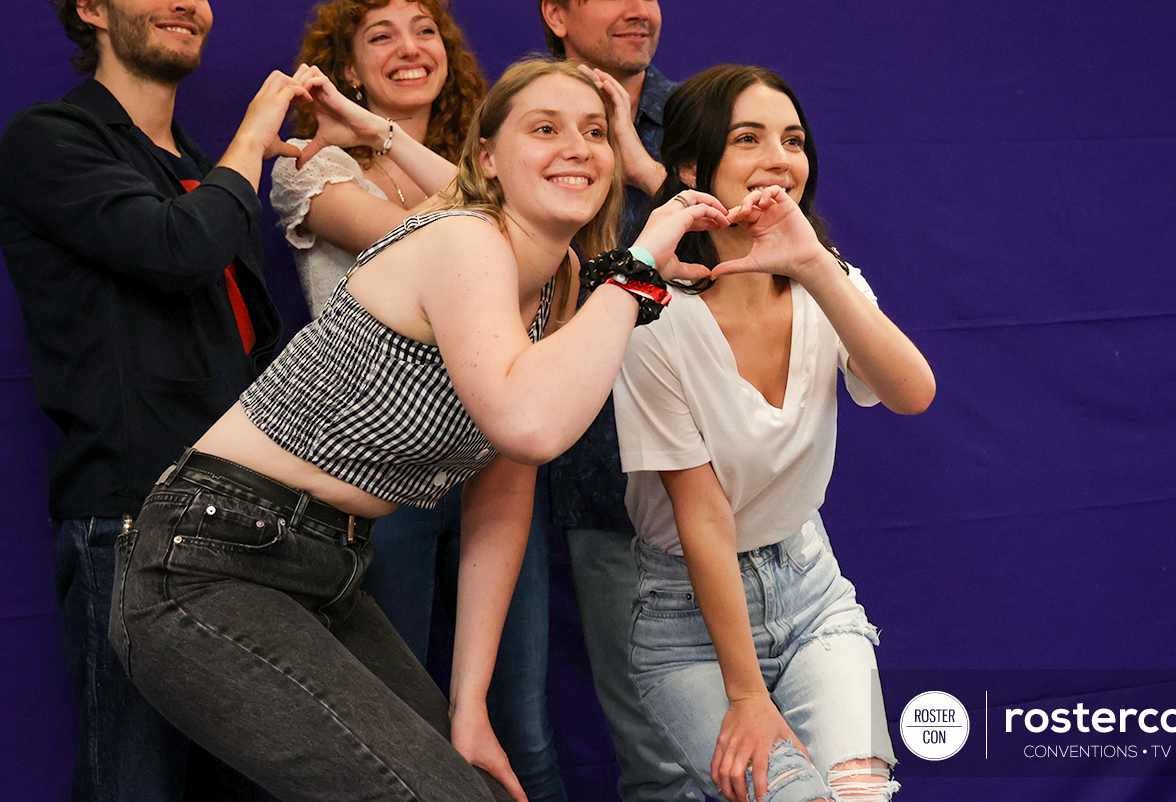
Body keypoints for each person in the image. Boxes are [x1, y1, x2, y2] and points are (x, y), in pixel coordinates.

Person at [110, 58, 733, 802]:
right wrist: (637, 271)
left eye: (596, 131)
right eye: (545, 128)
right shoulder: (464, 241)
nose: (579, 146)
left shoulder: (559, 280)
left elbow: (504, 489)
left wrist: (467, 706)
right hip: (208, 561)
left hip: (326, 570)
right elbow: (530, 424)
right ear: (488, 160)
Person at [0, 0, 307, 801]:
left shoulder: (200, 172)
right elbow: (180, 250)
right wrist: (252, 144)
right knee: (135, 785)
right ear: (94, 8)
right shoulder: (52, 141)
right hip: (128, 525)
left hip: (238, 527)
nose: (187, 0)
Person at [269, 0, 567, 801]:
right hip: (377, 481)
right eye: (380, 36)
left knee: (522, 722)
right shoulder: (312, 166)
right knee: (399, 722)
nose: (410, 47)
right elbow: (456, 240)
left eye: (425, 29)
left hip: (495, 463)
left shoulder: (490, 161)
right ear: (349, 72)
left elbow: (524, 233)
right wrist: (382, 139)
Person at [613, 65, 935, 802]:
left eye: (793, 140)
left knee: (859, 796)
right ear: (693, 168)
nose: (779, 158)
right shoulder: (652, 319)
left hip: (812, 590)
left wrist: (817, 267)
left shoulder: (830, 283)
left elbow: (913, 393)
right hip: (688, 623)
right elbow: (701, 513)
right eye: (749, 138)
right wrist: (746, 694)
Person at [533, 0, 697, 802]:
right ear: (558, 13)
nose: (639, 10)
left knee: (768, 737)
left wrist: (639, 158)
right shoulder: (527, 122)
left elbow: (738, 261)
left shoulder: (703, 118)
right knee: (660, 757)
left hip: (727, 470)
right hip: (606, 479)